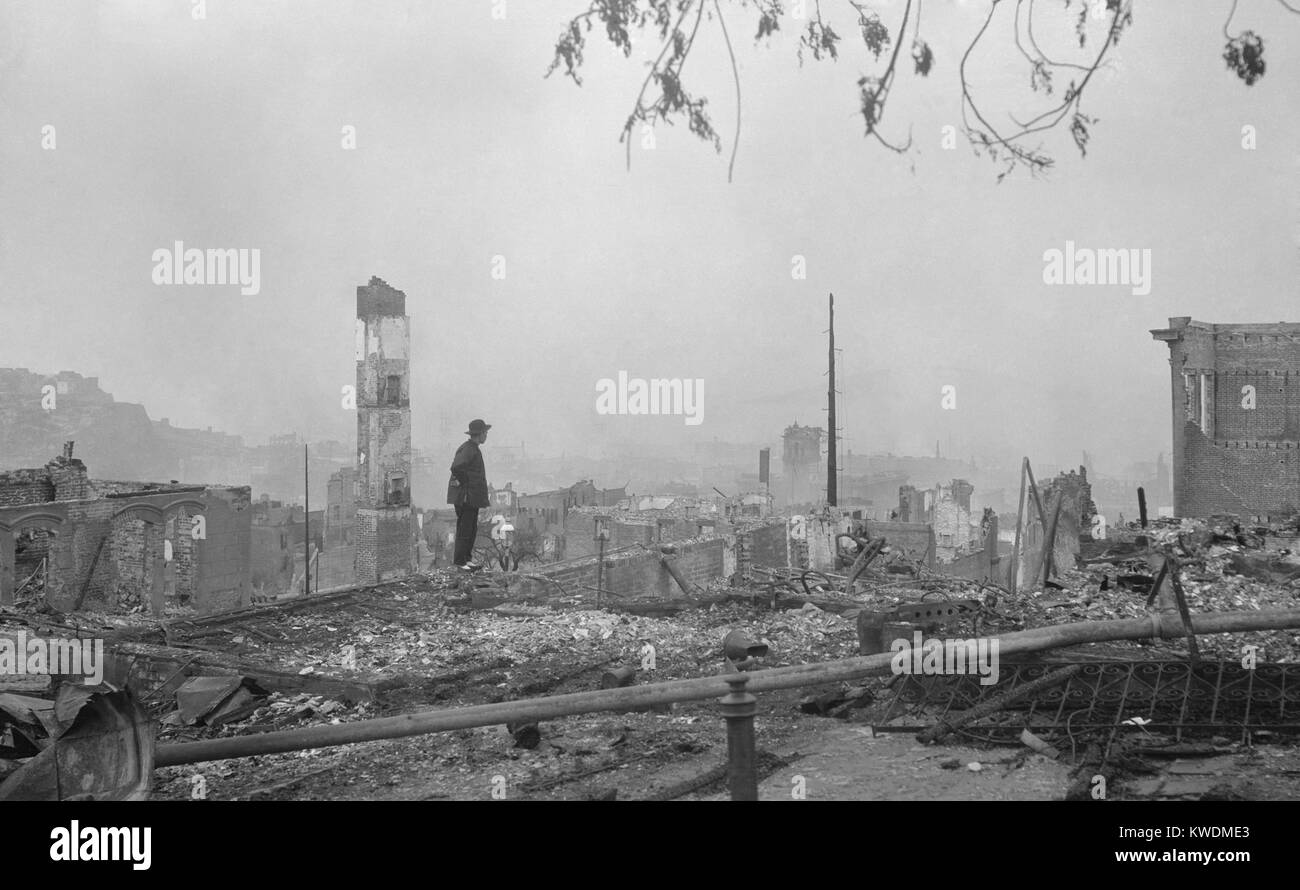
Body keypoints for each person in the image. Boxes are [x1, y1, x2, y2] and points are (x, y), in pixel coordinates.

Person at [448, 419, 491, 570]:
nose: (486, 435)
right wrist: (466, 482)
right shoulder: (468, 449)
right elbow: (456, 467)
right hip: (466, 497)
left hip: (472, 497)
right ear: (479, 434)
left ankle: (467, 559)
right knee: (465, 528)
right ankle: (460, 561)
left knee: (471, 528)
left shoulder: (473, 448)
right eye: (485, 433)